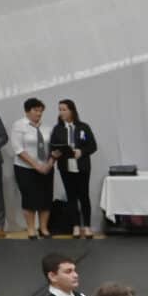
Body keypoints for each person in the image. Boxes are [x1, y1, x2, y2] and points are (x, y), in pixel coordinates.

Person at [50, 99, 97, 237]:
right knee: (71, 197)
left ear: (72, 110)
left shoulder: (83, 127)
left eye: (64, 109)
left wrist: (81, 152)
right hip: (65, 167)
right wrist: (54, 153)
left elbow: (92, 146)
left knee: (84, 196)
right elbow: (52, 146)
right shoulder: (57, 129)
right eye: (60, 109)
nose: (61, 112)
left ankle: (87, 226)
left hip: (82, 167)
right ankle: (75, 226)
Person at [10, 98, 54, 240]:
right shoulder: (19, 125)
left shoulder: (47, 127)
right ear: (27, 111)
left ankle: (44, 228)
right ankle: (31, 229)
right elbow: (18, 149)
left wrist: (48, 164)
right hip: (25, 168)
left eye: (41, 111)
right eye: (36, 110)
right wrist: (36, 166)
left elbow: (53, 148)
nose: (39, 114)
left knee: (46, 198)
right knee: (29, 198)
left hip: (46, 168)